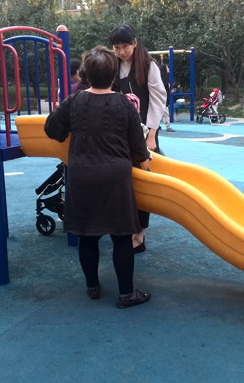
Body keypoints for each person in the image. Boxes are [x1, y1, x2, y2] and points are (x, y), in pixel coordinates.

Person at [44, 46, 152, 309]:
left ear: (85, 75)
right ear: (114, 75)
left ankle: (92, 285)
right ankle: (126, 293)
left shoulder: (74, 101)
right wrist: (145, 161)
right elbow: (138, 147)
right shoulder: (124, 104)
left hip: (82, 174)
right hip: (116, 177)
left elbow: (52, 129)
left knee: (87, 235)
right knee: (122, 235)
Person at [109, 23, 166, 254]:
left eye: (125, 46)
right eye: (116, 47)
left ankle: (140, 234)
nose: (121, 51)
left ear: (135, 42)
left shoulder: (147, 65)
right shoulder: (114, 65)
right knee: (123, 180)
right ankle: (125, 227)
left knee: (142, 181)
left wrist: (151, 134)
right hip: (121, 130)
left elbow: (158, 98)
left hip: (144, 129)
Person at [159, 64, 175, 132]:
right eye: (167, 67)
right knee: (165, 112)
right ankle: (168, 126)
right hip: (161, 98)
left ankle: (157, 125)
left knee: (161, 112)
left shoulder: (166, 78)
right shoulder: (161, 79)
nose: (168, 69)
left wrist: (170, 90)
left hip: (165, 97)